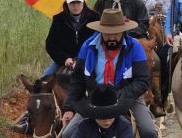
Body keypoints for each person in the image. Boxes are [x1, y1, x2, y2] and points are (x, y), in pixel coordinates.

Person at [12, 0, 102, 134]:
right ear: (66, 3)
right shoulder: (59, 19)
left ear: (83, 2)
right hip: (63, 60)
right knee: (41, 83)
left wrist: (84, 58)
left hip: (90, 59)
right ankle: (28, 121)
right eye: (72, 2)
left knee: (102, 80)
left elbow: (100, 40)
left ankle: (111, 111)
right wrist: (64, 58)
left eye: (78, 2)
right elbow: (51, 44)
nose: (75, 5)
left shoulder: (95, 17)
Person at [59, 9, 157, 138]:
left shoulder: (135, 47)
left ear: (123, 31)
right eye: (106, 34)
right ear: (100, 31)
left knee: (148, 131)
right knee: (68, 133)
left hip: (127, 95)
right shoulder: (87, 47)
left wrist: (119, 95)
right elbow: (77, 81)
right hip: (96, 97)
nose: (111, 37)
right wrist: (69, 108)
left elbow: (143, 80)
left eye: (115, 33)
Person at [142, 0, 175, 114]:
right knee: (151, 49)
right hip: (154, 18)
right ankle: (156, 96)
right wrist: (154, 4)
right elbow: (144, 0)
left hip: (172, 19)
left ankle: (169, 92)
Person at [70, 84, 134, 138]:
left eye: (111, 116)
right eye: (102, 117)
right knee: (67, 132)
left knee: (144, 128)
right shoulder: (84, 126)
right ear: (93, 114)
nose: (107, 122)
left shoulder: (124, 126)